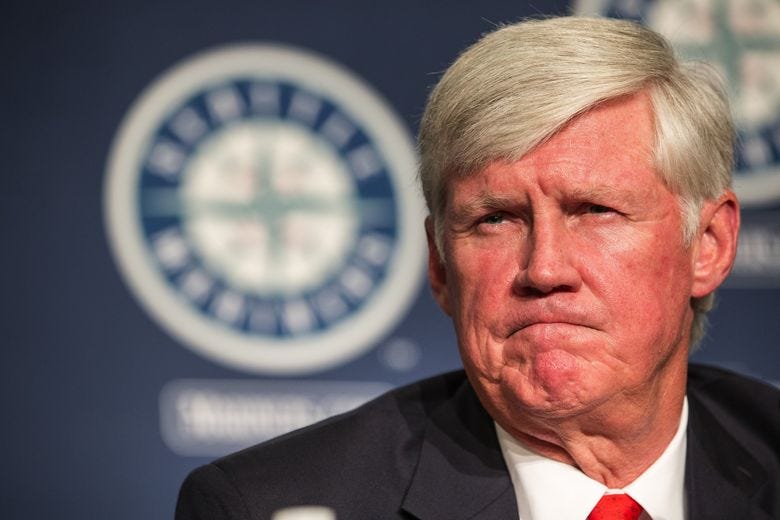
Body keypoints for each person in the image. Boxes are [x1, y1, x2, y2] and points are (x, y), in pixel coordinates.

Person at [176, 16, 779, 520]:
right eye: (495, 219)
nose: (544, 269)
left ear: (709, 244)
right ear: (439, 264)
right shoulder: (269, 506)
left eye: (594, 210)